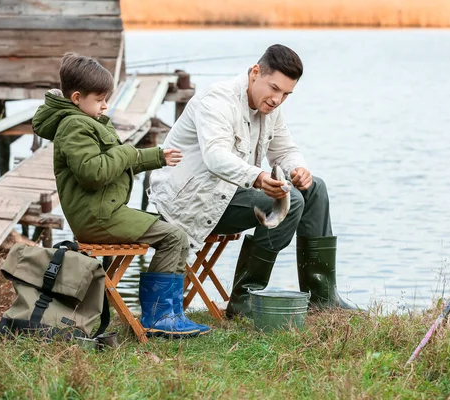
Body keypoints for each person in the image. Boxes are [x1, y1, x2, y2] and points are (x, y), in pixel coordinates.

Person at [149, 44, 354, 318]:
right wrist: (257, 177)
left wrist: (298, 169)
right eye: (274, 88)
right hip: (191, 202)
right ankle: (244, 300)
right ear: (255, 72)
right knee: (289, 201)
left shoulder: (269, 107)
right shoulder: (217, 101)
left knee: (314, 187)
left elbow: (284, 151)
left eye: (286, 94)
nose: (278, 99)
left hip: (229, 196)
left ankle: (322, 298)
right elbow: (215, 156)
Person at [32, 53, 210, 338]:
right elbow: (94, 173)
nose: (106, 105)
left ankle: (171, 313)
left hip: (104, 211)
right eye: (100, 99)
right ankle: (160, 317)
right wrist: (127, 150)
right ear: (77, 97)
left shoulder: (89, 120)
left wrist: (158, 156)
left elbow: (116, 162)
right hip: (97, 216)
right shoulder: (74, 126)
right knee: (173, 236)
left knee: (177, 233)